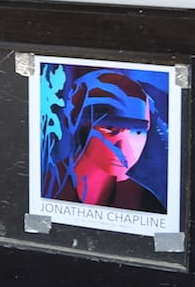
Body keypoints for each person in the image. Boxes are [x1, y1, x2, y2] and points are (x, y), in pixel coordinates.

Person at [44, 69, 165, 212]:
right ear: (77, 124)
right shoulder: (47, 185)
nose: (124, 146)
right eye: (109, 128)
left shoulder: (146, 202)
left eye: (137, 131)